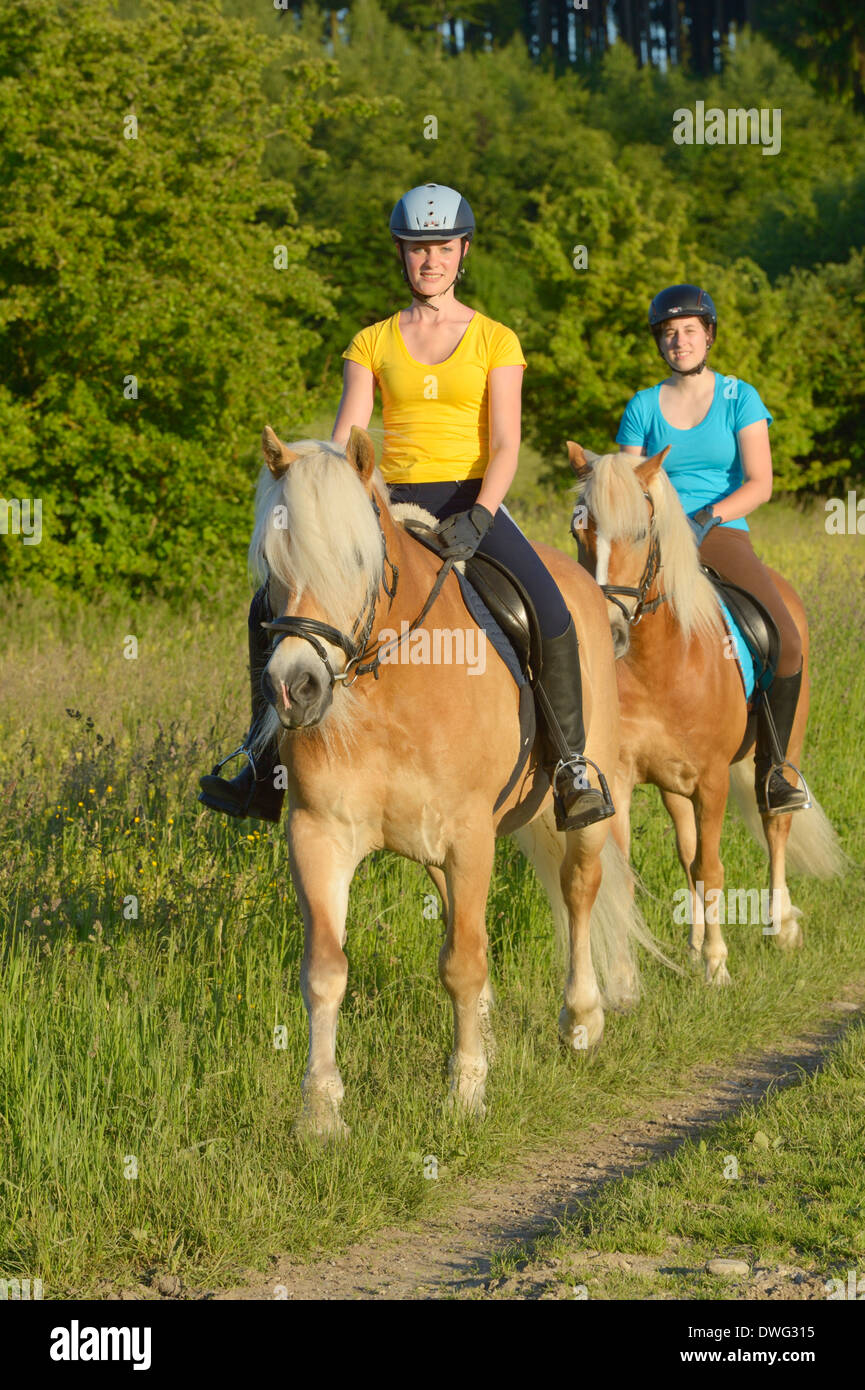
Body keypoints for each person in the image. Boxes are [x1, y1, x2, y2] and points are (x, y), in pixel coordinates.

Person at [199, 182, 613, 832]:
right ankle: (261, 763)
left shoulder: (495, 340)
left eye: (442, 247)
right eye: (418, 249)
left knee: (551, 608)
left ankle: (571, 767)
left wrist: (482, 513)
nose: (430, 260)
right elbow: (345, 441)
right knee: (270, 607)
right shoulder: (370, 343)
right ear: (401, 253)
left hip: (472, 500)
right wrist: (320, 495)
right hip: (383, 503)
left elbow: (506, 442)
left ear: (463, 250)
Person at [616, 282, 808, 814]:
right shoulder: (642, 406)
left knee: (786, 642)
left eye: (689, 332)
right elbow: (627, 484)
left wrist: (707, 517)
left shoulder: (738, 398)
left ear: (709, 336)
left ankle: (776, 771)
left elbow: (760, 482)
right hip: (655, 538)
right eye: (669, 334)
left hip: (720, 532)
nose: (679, 342)